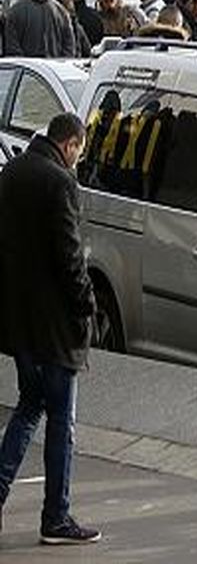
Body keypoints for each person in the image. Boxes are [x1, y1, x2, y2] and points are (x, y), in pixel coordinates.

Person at [0, 113, 100, 546]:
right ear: (71, 144)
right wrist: (87, 308)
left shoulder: (12, 171)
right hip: (55, 327)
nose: (78, 157)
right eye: (79, 149)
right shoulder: (61, 184)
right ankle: (56, 517)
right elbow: (70, 257)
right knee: (62, 421)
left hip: (19, 321)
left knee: (29, 407)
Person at [3, 0, 77, 57]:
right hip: (55, 69)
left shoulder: (14, 12)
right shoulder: (60, 10)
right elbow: (70, 46)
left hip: (28, 69)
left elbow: (13, 51)